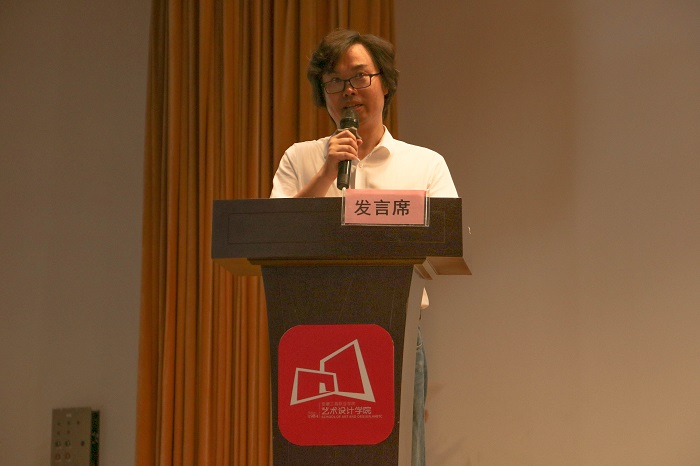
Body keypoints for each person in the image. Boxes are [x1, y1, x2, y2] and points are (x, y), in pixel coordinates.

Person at [270, 29, 458, 465]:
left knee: (400, 454)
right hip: (311, 334)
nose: (348, 91)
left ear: (385, 83)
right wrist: (326, 172)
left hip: (396, 332)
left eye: (359, 77)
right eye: (334, 81)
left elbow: (446, 238)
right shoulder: (300, 158)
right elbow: (275, 233)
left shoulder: (425, 163)